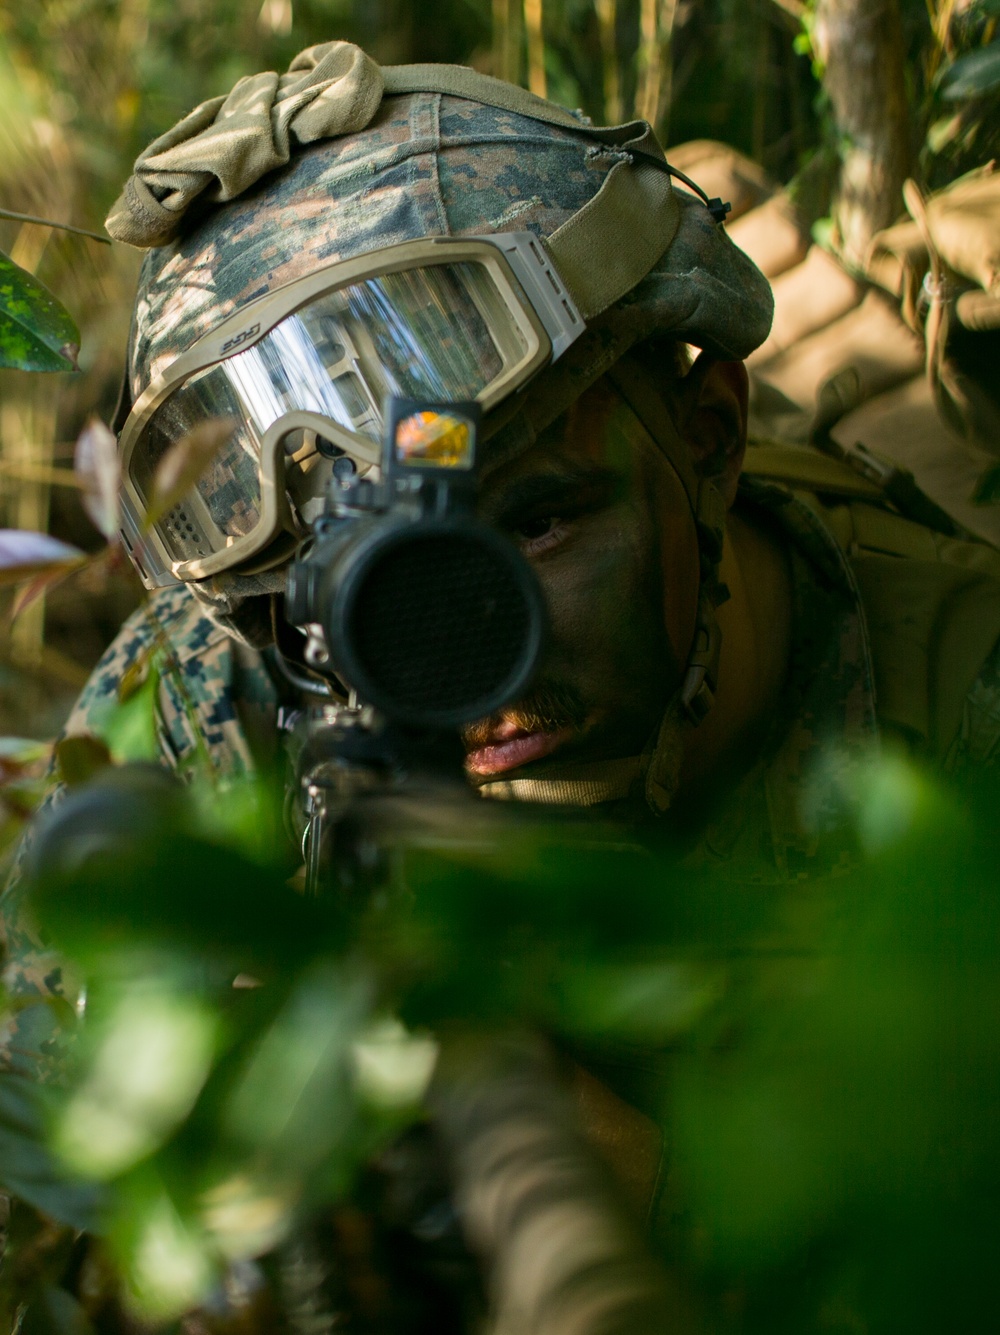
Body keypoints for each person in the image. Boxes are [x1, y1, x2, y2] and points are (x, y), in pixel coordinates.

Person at [6, 40, 1000, 1307]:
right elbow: (35, 1179)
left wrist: (673, 1210)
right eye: (355, 573)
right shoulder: (225, 679)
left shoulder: (961, 723)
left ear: (708, 436)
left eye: (533, 526)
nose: (451, 661)